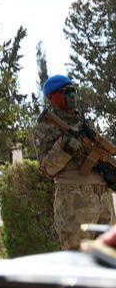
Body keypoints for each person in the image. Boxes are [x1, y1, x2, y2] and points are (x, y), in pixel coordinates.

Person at [33, 74, 115, 250]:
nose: (72, 95)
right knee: (78, 258)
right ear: (51, 97)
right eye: (66, 92)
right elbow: (47, 169)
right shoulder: (45, 127)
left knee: (109, 258)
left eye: (73, 91)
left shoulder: (84, 122)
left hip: (103, 197)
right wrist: (64, 148)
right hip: (74, 198)